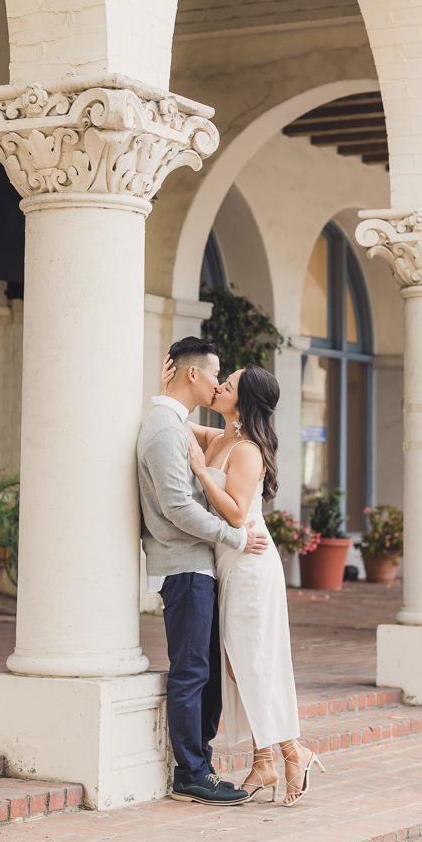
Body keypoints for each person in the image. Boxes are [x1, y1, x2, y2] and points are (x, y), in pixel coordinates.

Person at [179, 363, 325, 805]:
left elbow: (238, 515)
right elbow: (180, 423)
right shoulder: (221, 436)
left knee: (251, 661)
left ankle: (290, 750)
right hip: (230, 565)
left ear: (244, 401)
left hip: (249, 566)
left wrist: (203, 473)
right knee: (235, 663)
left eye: (229, 384)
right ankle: (264, 761)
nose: (220, 386)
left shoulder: (246, 450)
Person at [136, 336, 270, 804]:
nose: (218, 383)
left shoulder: (175, 423)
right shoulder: (163, 429)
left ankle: (201, 766)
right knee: (192, 671)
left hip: (200, 565)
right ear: (193, 374)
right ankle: (190, 775)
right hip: (185, 565)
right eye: (215, 374)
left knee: (206, 670)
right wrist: (235, 536)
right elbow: (176, 507)